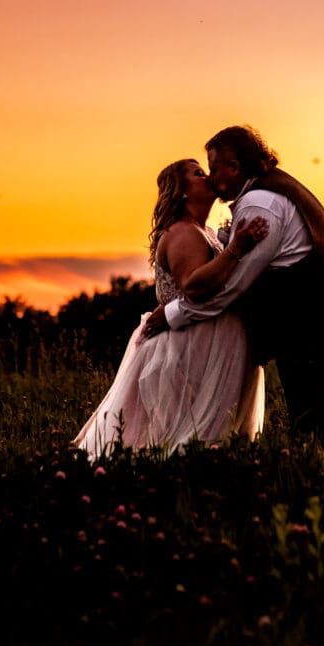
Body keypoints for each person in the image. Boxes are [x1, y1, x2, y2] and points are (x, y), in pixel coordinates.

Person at [145, 126, 324, 442]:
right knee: (306, 422)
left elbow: (233, 286)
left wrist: (173, 314)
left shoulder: (259, 206)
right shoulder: (265, 195)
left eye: (212, 169)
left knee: (313, 426)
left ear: (235, 167)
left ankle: (311, 481)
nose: (210, 178)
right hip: (307, 321)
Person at [72, 159, 266, 459]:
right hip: (190, 346)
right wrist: (237, 250)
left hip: (205, 341)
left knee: (198, 435)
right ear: (183, 191)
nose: (208, 176)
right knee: (184, 435)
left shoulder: (204, 231)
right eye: (198, 174)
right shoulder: (184, 233)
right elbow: (195, 287)